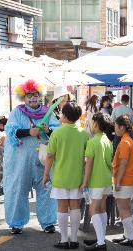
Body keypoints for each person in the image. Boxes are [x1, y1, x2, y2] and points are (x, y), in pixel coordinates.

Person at [4, 79, 60, 234]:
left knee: (46, 188)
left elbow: (58, 133)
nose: (33, 98)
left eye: (35, 95)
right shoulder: (17, 112)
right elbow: (10, 132)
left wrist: (48, 130)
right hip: (21, 161)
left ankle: (48, 222)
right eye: (29, 95)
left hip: (43, 159)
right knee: (18, 189)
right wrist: (29, 132)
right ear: (24, 97)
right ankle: (16, 223)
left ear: (39, 96)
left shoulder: (48, 112)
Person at [43, 102, 89, 249]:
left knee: (62, 207)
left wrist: (45, 175)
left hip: (60, 177)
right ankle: (74, 240)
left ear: (66, 116)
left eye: (62, 113)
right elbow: (88, 158)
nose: (60, 116)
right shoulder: (84, 133)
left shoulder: (57, 133)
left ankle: (64, 240)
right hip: (78, 177)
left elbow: (49, 156)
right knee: (75, 207)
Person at [81, 112, 113, 250]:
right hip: (106, 179)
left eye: (92, 122)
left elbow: (88, 164)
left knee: (93, 210)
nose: (90, 124)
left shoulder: (92, 142)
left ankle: (101, 243)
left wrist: (84, 182)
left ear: (96, 124)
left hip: (96, 180)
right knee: (102, 209)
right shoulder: (107, 140)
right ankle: (101, 238)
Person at [111, 116, 133, 247]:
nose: (115, 129)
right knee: (126, 208)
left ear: (121, 127)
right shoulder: (129, 140)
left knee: (123, 209)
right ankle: (127, 235)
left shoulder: (125, 142)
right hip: (130, 179)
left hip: (124, 180)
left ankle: (131, 237)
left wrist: (117, 181)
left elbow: (122, 164)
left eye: (116, 126)